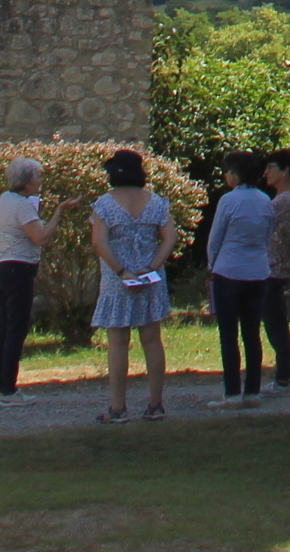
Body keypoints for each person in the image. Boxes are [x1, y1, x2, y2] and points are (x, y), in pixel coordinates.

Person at [86, 149, 178, 421]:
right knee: (152, 341)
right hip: (150, 278)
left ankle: (117, 408)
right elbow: (169, 238)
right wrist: (151, 267)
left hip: (119, 280)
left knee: (118, 344)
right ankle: (156, 405)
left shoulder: (104, 204)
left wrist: (122, 271)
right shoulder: (157, 202)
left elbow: (99, 242)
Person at [0, 157, 65, 404]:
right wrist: (59, 212)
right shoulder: (22, 205)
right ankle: (9, 390)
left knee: (4, 329)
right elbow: (40, 237)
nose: (40, 181)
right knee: (16, 330)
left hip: (1, 266)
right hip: (19, 269)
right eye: (37, 177)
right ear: (27, 182)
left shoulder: (3, 200)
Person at [204, 150, 279, 404]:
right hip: (258, 271)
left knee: (228, 334)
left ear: (235, 174)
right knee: (252, 333)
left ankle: (232, 392)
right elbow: (268, 234)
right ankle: (253, 390)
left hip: (229, 271)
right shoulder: (265, 200)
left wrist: (212, 263)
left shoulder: (228, 200)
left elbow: (216, 238)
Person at [258, 149, 290, 396]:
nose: (266, 172)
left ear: (285, 171)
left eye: (271, 167)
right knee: (275, 322)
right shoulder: (285, 200)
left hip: (276, 268)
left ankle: (283, 377)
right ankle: (283, 375)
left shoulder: (283, 202)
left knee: (275, 324)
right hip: (277, 266)